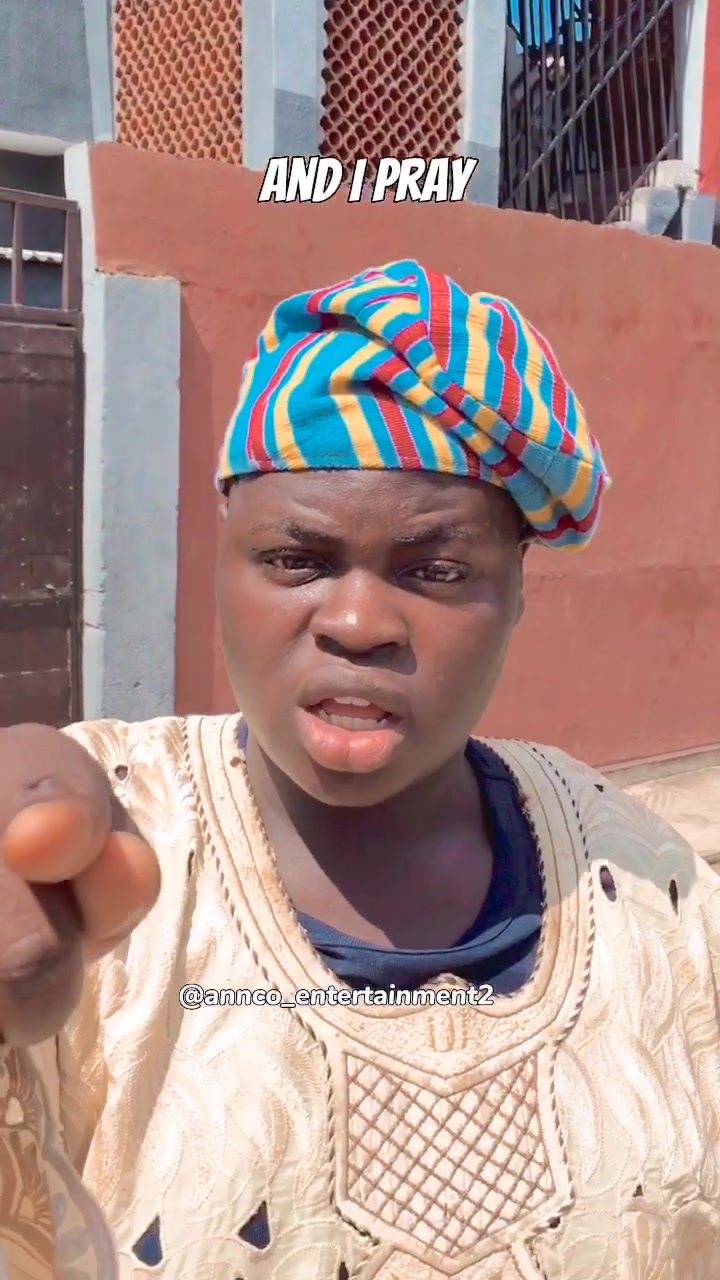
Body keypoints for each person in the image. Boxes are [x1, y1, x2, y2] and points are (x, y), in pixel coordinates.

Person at [0, 260, 718, 1280]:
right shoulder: (108, 858)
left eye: (437, 570)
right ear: (222, 562)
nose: (356, 622)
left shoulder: (644, 879)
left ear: (519, 591)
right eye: (296, 560)